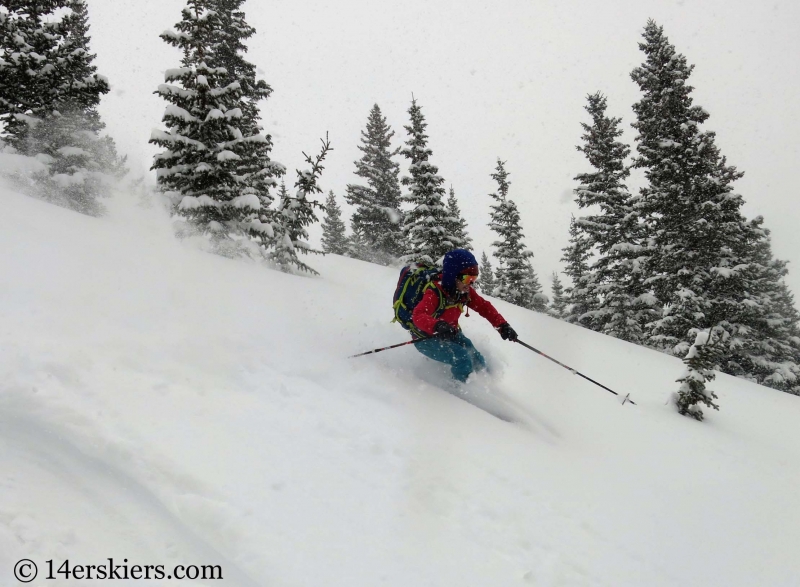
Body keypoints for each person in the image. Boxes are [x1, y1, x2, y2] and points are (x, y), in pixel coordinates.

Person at [411, 249, 518, 382]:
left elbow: (484, 307)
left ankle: (489, 386)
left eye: (473, 279)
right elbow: (418, 315)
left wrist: (502, 325)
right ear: (452, 275)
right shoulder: (434, 293)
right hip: (425, 339)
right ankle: (462, 393)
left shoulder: (464, 292)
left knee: (477, 358)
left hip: (452, 333)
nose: (470, 283)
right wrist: (437, 325)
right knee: (462, 358)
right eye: (467, 278)